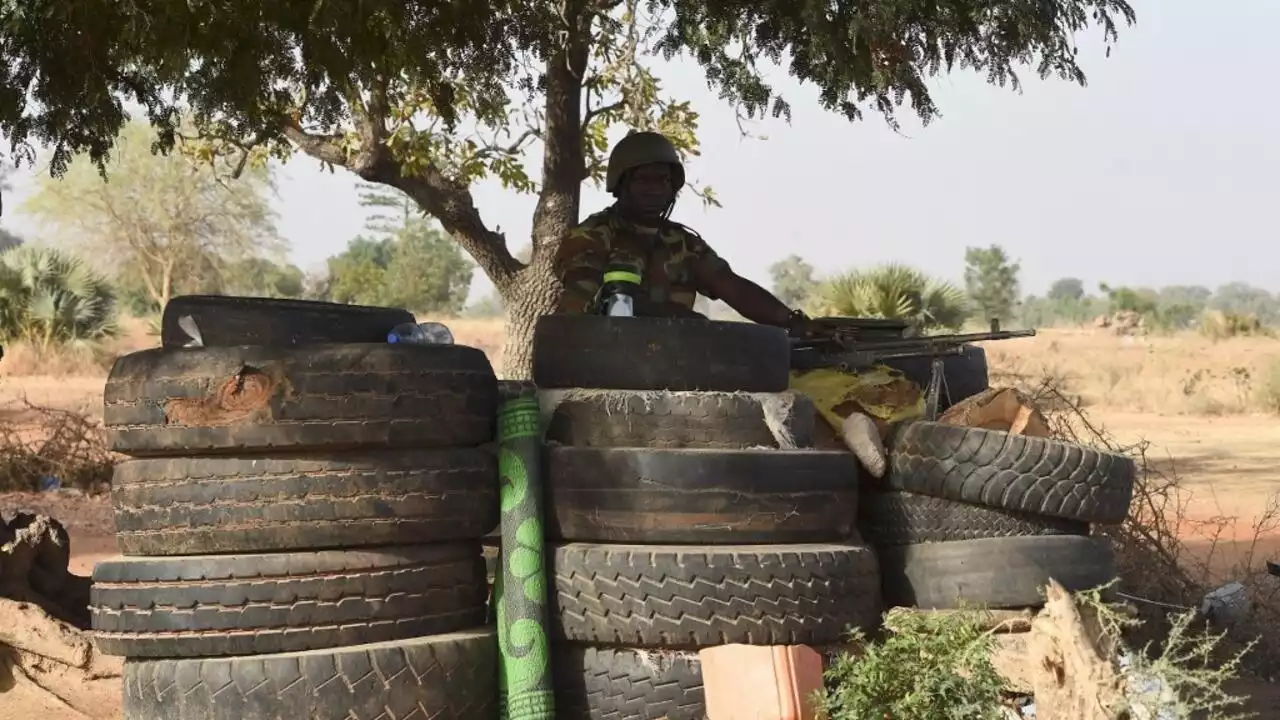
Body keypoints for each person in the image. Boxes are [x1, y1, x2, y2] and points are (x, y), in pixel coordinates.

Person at [552, 130, 812, 335]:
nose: (654, 190)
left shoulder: (683, 243)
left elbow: (732, 287)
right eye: (643, 180)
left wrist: (791, 320)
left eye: (662, 181)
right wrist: (676, 317)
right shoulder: (592, 236)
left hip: (673, 363)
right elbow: (580, 309)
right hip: (605, 362)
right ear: (621, 185)